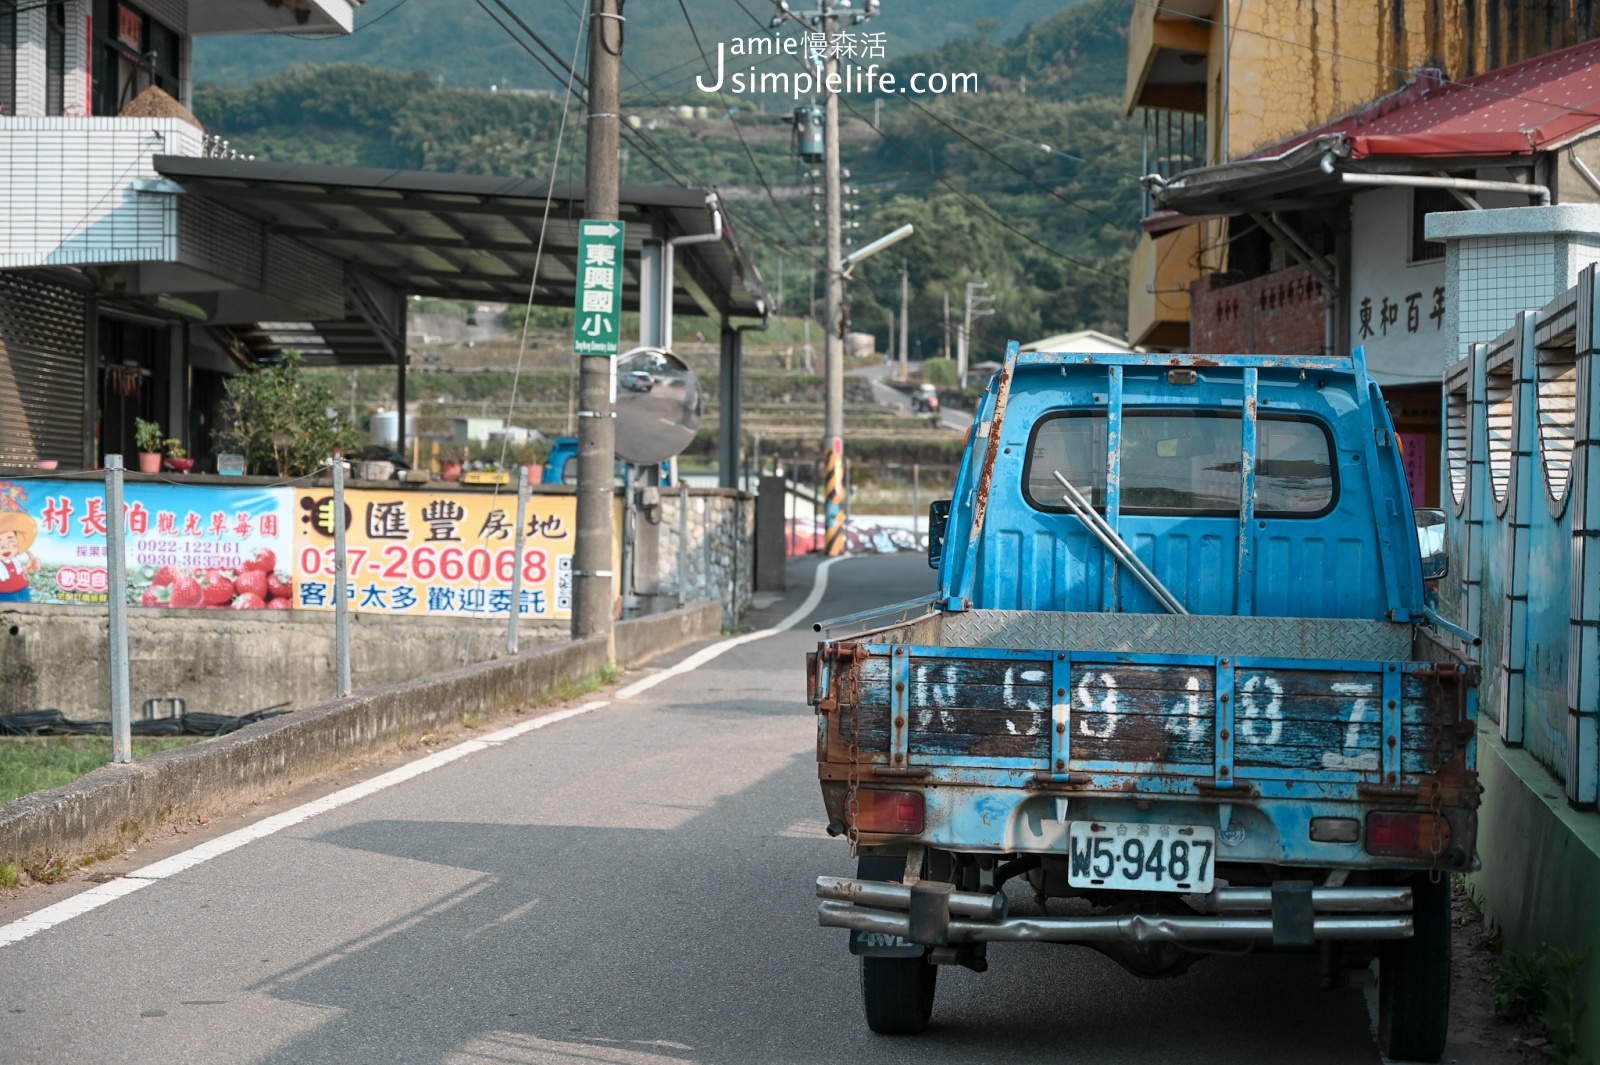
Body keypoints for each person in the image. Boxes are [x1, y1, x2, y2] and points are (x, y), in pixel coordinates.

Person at [0, 511, 40, 602]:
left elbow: (15, 573)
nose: (6, 546)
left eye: (10, 540)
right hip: (5, 594)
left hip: (23, 591)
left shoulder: (14, 561)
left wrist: (27, 569)